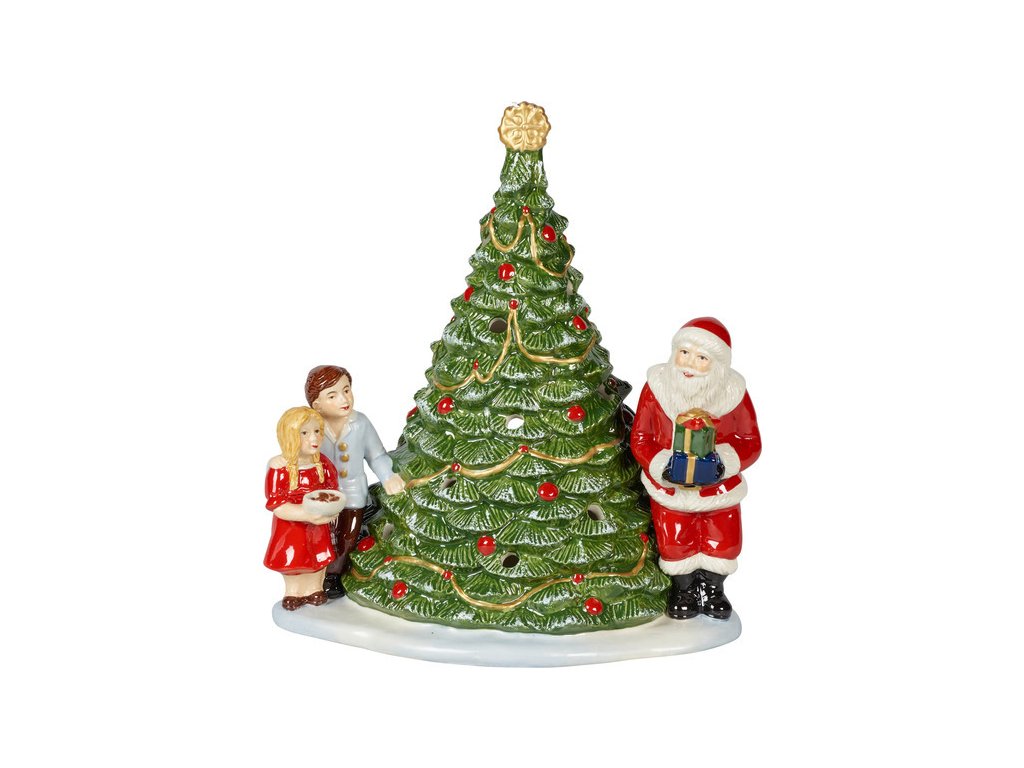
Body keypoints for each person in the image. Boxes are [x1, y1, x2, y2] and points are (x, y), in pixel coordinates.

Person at [630, 317, 761, 620]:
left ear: (718, 365)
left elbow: (750, 441)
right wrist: (660, 464)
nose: (689, 364)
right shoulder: (657, 387)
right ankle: (684, 589)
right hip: (670, 489)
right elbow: (641, 437)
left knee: (723, 540)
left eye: (702, 358)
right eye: (684, 353)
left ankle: (714, 589)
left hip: (718, 490)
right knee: (675, 539)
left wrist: (723, 463)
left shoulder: (733, 393)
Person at [305, 365, 406, 597]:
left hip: (352, 493)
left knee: (348, 536)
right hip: (321, 495)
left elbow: (376, 455)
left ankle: (334, 575)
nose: (344, 399)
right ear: (317, 405)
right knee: (319, 535)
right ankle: (314, 575)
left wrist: (388, 477)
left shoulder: (360, 423)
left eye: (346, 390)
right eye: (333, 396)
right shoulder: (311, 427)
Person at [263, 406, 345, 610]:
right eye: (305, 433)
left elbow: (333, 489)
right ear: (290, 436)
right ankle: (293, 591)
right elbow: (277, 504)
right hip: (291, 527)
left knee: (319, 556)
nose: (314, 438)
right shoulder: (279, 467)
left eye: (317, 431)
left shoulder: (322, 464)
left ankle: (315, 588)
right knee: (293, 558)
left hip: (318, 524)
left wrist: (332, 510)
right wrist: (304, 514)